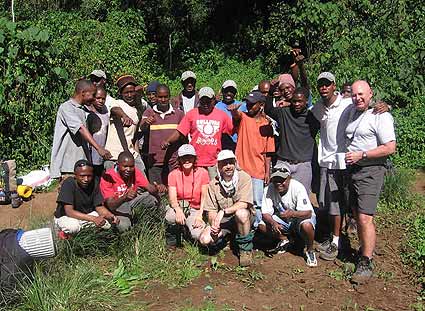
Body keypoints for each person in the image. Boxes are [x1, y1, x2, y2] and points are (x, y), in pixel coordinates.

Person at [312, 73, 390, 262]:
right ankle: (340, 240)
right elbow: (299, 104)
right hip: (336, 163)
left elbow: (370, 108)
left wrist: (386, 105)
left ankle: (360, 253)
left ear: (334, 85)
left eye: (327, 84)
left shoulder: (349, 103)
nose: (324, 88)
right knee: (338, 205)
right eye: (320, 85)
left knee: (358, 212)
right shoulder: (319, 108)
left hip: (355, 164)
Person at [344, 80, 396, 284]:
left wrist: (362, 155)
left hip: (370, 170)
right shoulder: (351, 109)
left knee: (365, 218)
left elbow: (390, 147)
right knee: (357, 214)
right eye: (354, 94)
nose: (358, 98)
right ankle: (363, 250)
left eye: (361, 94)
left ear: (371, 93)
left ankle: (366, 261)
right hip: (353, 170)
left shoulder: (381, 115)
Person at [161, 87, 233, 179]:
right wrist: (167, 141)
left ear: (214, 100)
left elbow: (232, 130)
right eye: (203, 101)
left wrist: (236, 115)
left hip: (214, 163)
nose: (206, 104)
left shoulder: (222, 115)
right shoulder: (192, 114)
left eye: (208, 101)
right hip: (195, 162)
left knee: (214, 189)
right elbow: (180, 131)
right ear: (199, 100)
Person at [199, 150, 254, 267]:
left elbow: (244, 203)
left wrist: (223, 211)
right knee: (204, 239)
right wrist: (214, 225)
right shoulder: (213, 184)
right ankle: (226, 238)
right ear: (219, 166)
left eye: (231, 163)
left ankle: (245, 249)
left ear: (235, 163)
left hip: (243, 218)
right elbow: (211, 210)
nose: (228, 166)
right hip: (225, 222)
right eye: (224, 163)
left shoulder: (244, 177)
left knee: (241, 213)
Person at [227, 92, 275, 228]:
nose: (248, 106)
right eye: (247, 103)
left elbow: (268, 151)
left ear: (261, 105)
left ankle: (257, 229)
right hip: (241, 169)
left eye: (252, 104)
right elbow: (236, 117)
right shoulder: (244, 118)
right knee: (238, 201)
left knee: (256, 203)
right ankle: (240, 229)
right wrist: (234, 111)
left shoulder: (267, 125)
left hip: (257, 170)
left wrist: (267, 172)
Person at [50, 79, 112, 179]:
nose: (93, 98)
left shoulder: (82, 110)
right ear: (83, 93)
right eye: (92, 94)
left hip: (82, 165)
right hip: (69, 167)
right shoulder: (67, 107)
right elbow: (81, 129)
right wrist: (98, 148)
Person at [258, 166, 317, 267]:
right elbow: (265, 213)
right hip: (284, 219)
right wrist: (273, 223)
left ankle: (310, 250)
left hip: (300, 217)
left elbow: (308, 213)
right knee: (262, 225)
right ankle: (285, 240)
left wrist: (292, 213)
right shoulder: (269, 188)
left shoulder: (298, 187)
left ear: (289, 178)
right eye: (276, 180)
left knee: (307, 225)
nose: (278, 183)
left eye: (282, 180)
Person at [264, 87, 320, 193]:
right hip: (283, 162)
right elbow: (268, 109)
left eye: (300, 101)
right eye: (294, 101)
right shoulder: (284, 113)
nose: (297, 104)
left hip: (303, 165)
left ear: (306, 102)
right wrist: (271, 90)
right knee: (279, 195)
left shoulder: (312, 117)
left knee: (301, 195)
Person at [54, 160, 119, 236]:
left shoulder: (95, 182)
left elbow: (99, 207)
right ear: (75, 175)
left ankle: (86, 236)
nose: (86, 179)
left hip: (86, 215)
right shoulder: (69, 183)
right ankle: (64, 233)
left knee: (107, 223)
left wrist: (111, 216)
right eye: (82, 176)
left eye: (89, 176)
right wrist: (94, 219)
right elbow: (69, 211)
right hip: (67, 216)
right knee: (73, 227)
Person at [100, 151, 161, 232]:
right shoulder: (108, 177)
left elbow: (149, 188)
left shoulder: (135, 172)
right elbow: (111, 205)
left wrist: (157, 188)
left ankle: (146, 225)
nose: (128, 169)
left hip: (131, 203)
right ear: (118, 165)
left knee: (152, 199)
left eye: (131, 166)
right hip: (117, 208)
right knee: (124, 226)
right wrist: (124, 197)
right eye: (125, 166)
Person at [165, 144, 210, 246]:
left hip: (196, 208)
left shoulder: (203, 173)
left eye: (189, 157)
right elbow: (172, 198)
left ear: (194, 158)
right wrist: (178, 210)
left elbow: (205, 196)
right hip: (180, 205)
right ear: (179, 159)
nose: (187, 160)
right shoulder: (173, 174)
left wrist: (200, 215)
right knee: (171, 216)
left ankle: (188, 232)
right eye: (184, 158)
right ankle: (172, 239)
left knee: (197, 234)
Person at [141, 84, 185, 186]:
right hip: (155, 161)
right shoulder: (149, 112)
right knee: (158, 192)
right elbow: (142, 128)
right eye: (160, 97)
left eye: (166, 97)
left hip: (173, 161)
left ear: (169, 97)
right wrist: (146, 122)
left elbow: (183, 134)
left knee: (174, 190)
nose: (163, 99)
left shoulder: (179, 114)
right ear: (156, 97)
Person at [104, 75, 145, 173]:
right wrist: (124, 116)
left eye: (132, 92)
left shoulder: (139, 108)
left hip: (131, 154)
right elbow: (114, 109)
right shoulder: (116, 103)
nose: (130, 95)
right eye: (126, 92)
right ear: (121, 93)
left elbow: (134, 136)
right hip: (113, 155)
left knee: (141, 180)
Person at [215, 80, 247, 150]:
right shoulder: (216, 106)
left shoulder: (242, 106)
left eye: (232, 91)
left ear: (235, 93)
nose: (229, 93)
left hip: (238, 143)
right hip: (221, 143)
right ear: (222, 92)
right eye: (226, 91)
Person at [86, 86, 110, 177]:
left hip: (102, 153)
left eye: (103, 99)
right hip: (92, 154)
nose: (101, 101)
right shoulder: (89, 114)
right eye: (98, 98)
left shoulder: (105, 113)